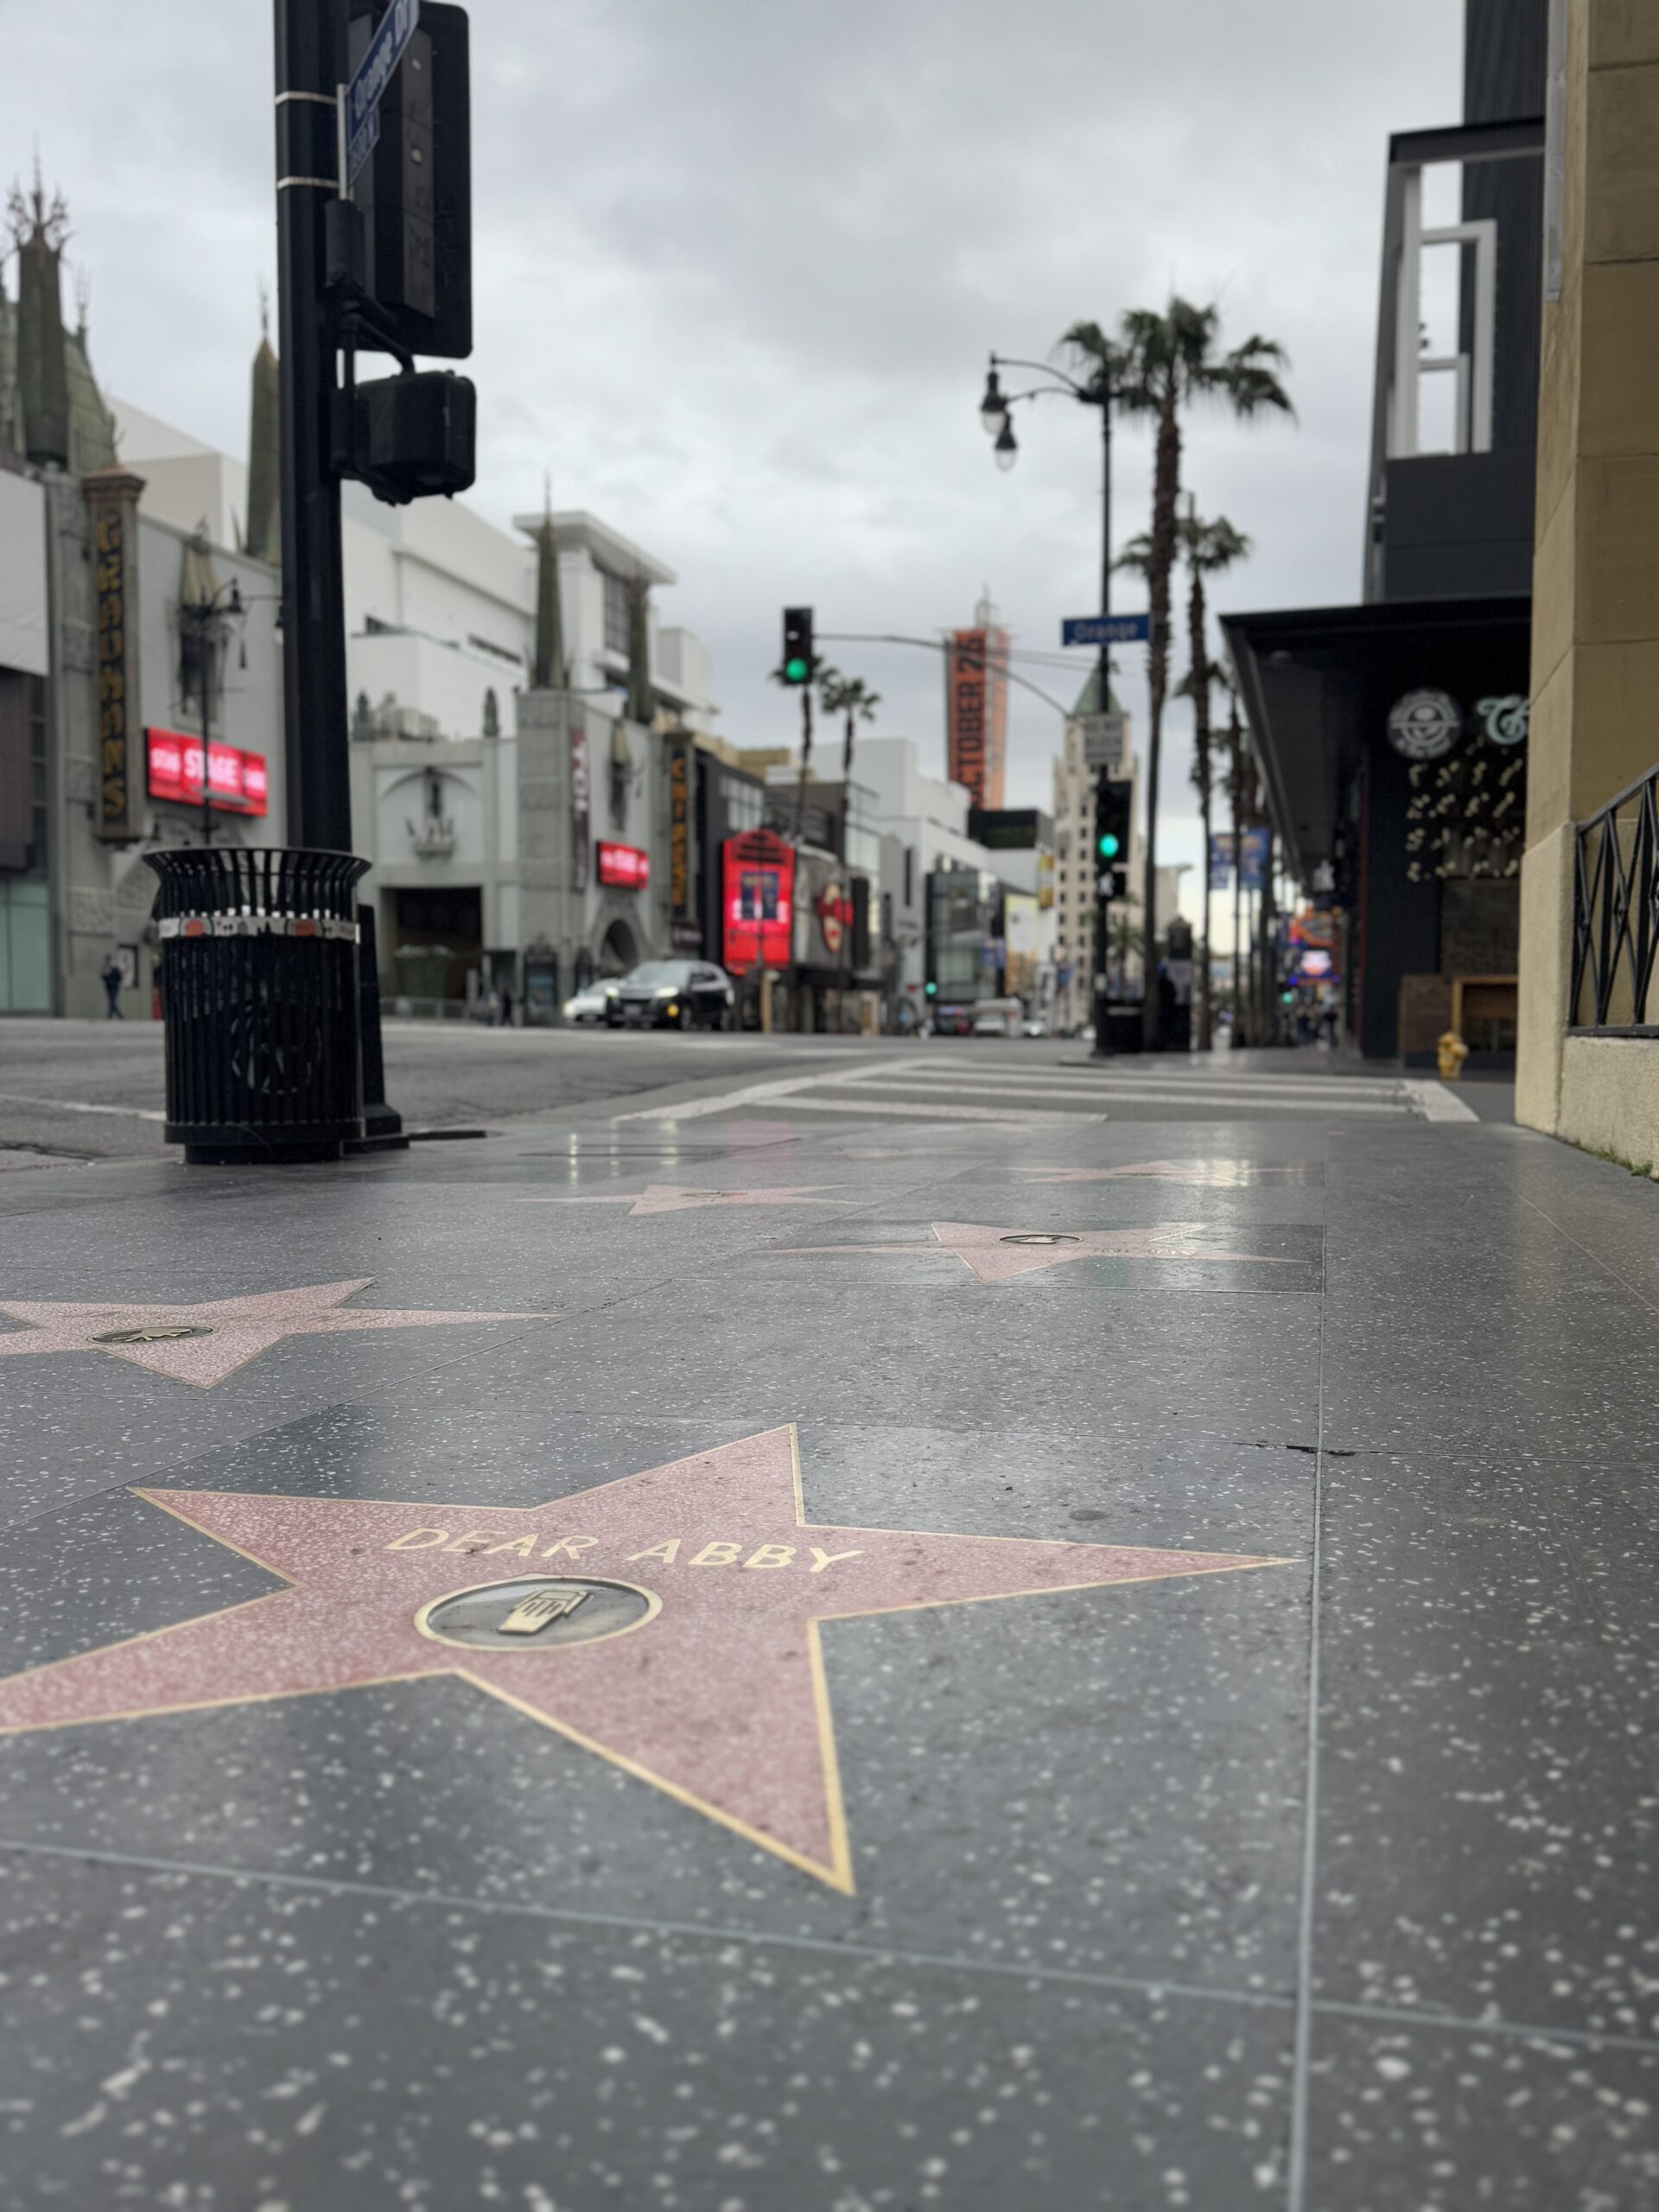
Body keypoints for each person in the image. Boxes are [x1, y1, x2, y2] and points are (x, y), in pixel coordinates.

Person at [100, 952, 124, 1020]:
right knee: (111, 1001)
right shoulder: (105, 969)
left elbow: (119, 978)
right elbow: (103, 977)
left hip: (114, 987)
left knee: (112, 1000)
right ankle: (119, 1015)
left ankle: (110, 1015)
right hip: (108, 987)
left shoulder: (115, 969)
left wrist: (114, 982)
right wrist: (104, 973)